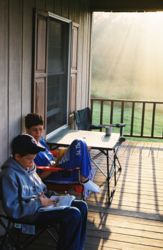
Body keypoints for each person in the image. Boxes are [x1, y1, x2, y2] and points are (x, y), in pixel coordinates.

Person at [1, 134, 88, 250]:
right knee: (73, 214)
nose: (32, 163)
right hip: (30, 214)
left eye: (34, 159)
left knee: (82, 206)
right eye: (29, 159)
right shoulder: (9, 175)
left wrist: (58, 198)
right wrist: (39, 203)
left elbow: (43, 190)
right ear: (17, 156)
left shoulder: (28, 167)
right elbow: (14, 210)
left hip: (43, 205)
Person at [25, 113, 100, 194]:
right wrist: (53, 167)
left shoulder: (41, 141)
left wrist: (63, 153)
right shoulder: (28, 148)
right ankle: (84, 179)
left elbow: (49, 153)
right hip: (54, 172)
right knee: (79, 143)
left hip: (58, 163)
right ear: (27, 130)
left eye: (40, 129)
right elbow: (37, 177)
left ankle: (84, 178)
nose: (38, 133)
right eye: (34, 130)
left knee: (81, 144)